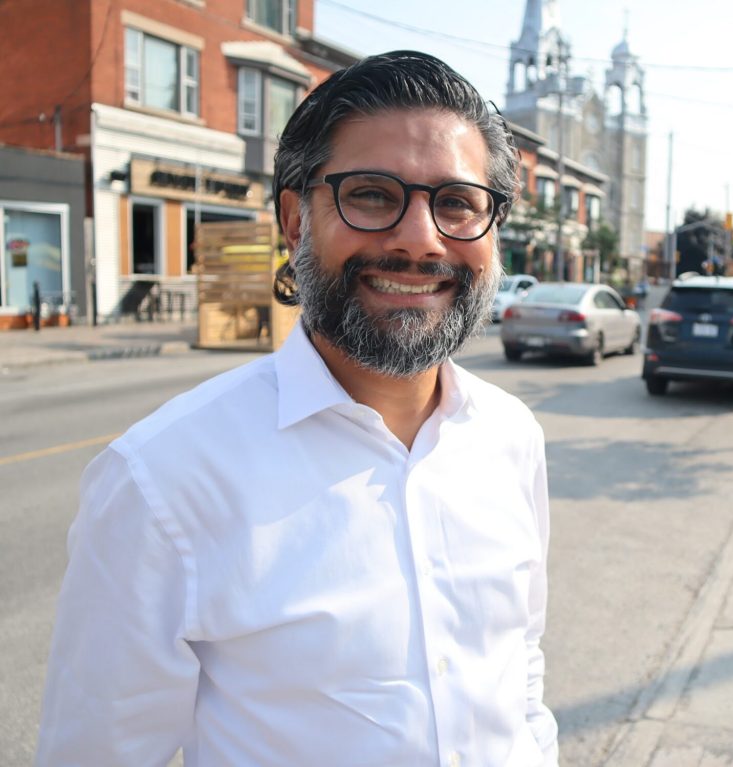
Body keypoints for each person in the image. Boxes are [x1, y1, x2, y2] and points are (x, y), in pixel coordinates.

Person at [36, 51, 558, 767]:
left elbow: (519, 666)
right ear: (293, 220)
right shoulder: (163, 479)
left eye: (457, 202)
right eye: (372, 195)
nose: (419, 237)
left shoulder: (511, 438)